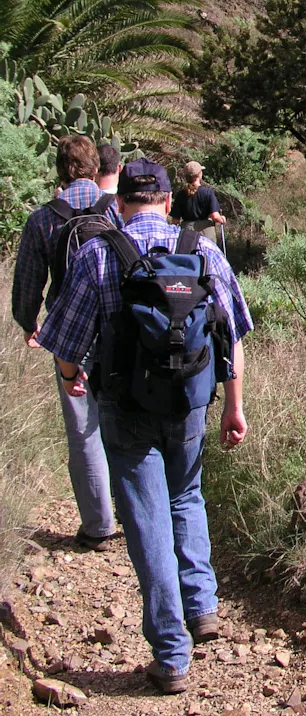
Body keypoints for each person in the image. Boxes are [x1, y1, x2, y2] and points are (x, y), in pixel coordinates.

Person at [38, 158, 253, 695]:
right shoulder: (199, 249)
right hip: (188, 404)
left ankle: (170, 652)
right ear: (167, 200)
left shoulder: (97, 253)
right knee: (186, 495)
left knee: (146, 516)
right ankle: (201, 605)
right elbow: (233, 335)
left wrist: (72, 377)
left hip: (126, 407)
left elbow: (63, 341)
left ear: (121, 203)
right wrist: (233, 406)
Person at [11, 136, 120, 552]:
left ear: (60, 170)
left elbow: (28, 280)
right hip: (115, 330)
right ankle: (134, 510)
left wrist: (29, 322)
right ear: (96, 168)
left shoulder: (43, 219)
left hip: (66, 334)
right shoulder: (117, 211)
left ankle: (98, 526)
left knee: (83, 429)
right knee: (120, 420)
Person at [169, 160, 225, 242]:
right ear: (199, 175)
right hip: (206, 232)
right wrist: (222, 219)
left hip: (187, 232)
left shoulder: (181, 194)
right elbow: (215, 216)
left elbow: (175, 221)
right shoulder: (207, 192)